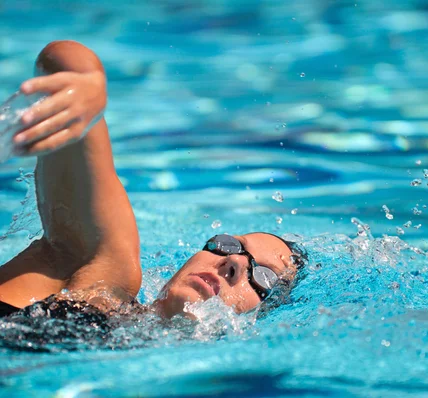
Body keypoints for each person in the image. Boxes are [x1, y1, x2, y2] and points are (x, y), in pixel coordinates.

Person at [0, 41, 304, 321]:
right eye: (229, 245)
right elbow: (62, 62)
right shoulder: (103, 279)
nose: (234, 263)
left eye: (263, 276)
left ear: (260, 319)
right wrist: (87, 82)